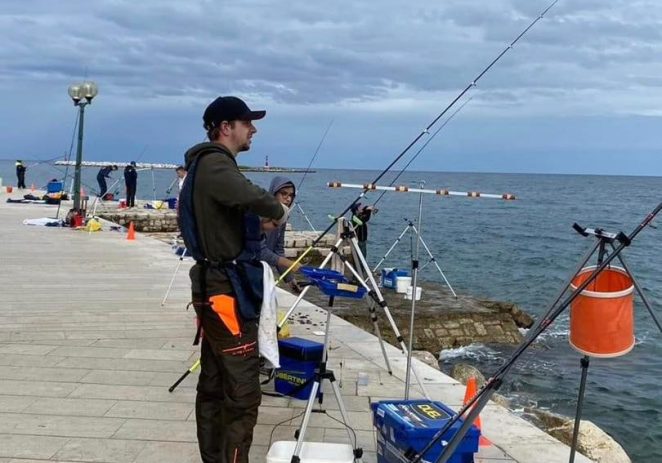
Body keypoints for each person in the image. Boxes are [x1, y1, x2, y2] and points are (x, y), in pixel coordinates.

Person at [183, 96, 288, 463]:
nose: (253, 129)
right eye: (247, 123)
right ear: (225, 127)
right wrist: (277, 209)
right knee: (243, 394)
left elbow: (222, 222)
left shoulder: (205, 167)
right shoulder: (215, 164)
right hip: (223, 294)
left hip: (214, 289)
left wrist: (256, 225)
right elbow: (252, 195)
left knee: (213, 385)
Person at [262, 176, 302, 293]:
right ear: (274, 193)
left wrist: (290, 279)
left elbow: (278, 249)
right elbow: (258, 250)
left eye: (291, 195)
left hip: (263, 269)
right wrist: (288, 263)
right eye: (284, 194)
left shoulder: (283, 217)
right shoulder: (260, 215)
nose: (288, 198)